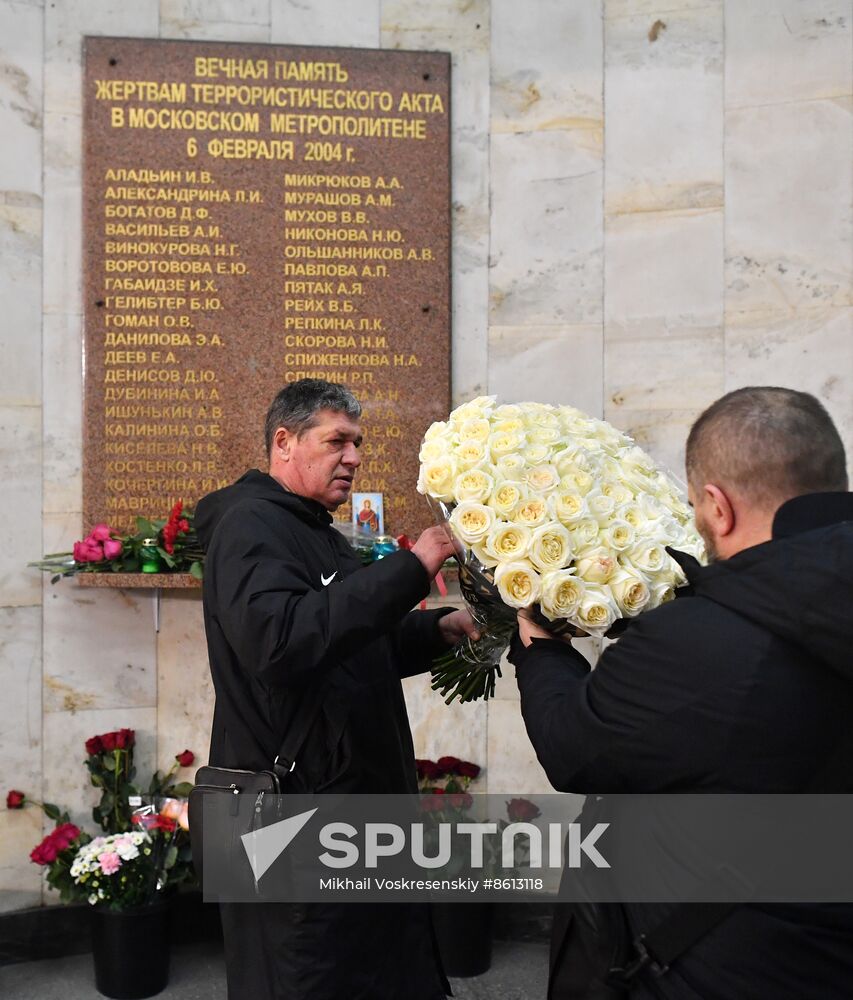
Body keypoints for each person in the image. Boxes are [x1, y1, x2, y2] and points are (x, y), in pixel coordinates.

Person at [510, 386, 853, 999]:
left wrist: (539, 639)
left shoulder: (697, 640)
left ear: (717, 508)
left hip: (730, 965)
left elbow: (574, 746)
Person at [194, 378, 476, 1000]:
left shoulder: (313, 529)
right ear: (284, 441)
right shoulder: (251, 526)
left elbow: (349, 646)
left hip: (346, 813)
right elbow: (280, 643)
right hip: (294, 818)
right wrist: (410, 568)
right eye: (338, 441)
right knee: (311, 972)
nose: (353, 456)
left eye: (358, 443)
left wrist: (442, 629)